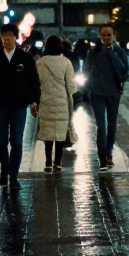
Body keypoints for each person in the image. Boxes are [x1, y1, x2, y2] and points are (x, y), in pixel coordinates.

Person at [0, 23, 40, 190]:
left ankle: (13, 176)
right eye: (3, 36)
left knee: (17, 142)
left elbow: (34, 82)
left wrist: (35, 100)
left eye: (9, 36)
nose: (6, 40)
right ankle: (4, 169)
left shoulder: (25, 58)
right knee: (1, 141)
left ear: (15, 37)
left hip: (19, 106)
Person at [86, 25, 129, 168]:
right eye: (103, 35)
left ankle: (109, 151)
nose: (106, 37)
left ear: (113, 35)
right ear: (99, 36)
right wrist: (88, 87)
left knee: (112, 125)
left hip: (114, 93)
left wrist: (112, 53)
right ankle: (102, 156)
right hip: (97, 93)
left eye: (108, 35)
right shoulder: (93, 52)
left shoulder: (119, 51)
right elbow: (86, 70)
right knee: (101, 125)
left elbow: (124, 71)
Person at [35, 35, 76, 172]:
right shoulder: (66, 63)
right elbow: (71, 86)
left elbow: (36, 83)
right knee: (59, 134)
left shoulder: (40, 63)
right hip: (62, 103)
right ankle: (57, 163)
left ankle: (47, 162)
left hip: (46, 101)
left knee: (48, 134)